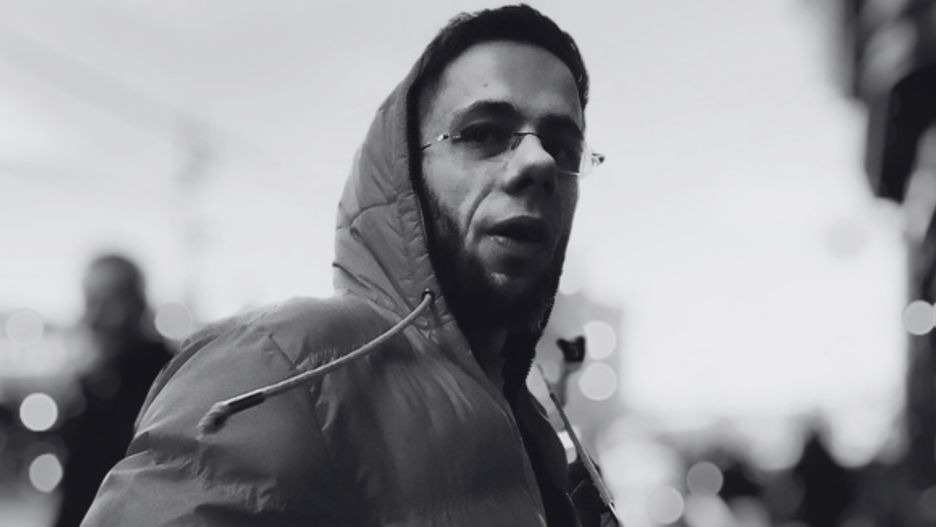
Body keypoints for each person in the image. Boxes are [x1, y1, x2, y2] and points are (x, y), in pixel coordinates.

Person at [82, 5, 613, 526]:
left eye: (563, 147)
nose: (539, 162)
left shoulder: (531, 428)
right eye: (482, 133)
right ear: (407, 173)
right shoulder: (287, 367)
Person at [55, 254, 173, 527]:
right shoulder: (92, 384)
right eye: (90, 301)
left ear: (139, 304)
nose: (94, 316)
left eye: (108, 302)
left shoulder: (166, 380)